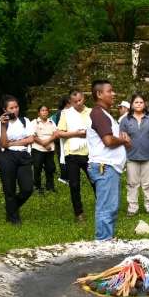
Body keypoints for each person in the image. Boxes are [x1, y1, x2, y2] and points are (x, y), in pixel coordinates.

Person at [86, 80, 131, 241]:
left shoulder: (105, 115)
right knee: (106, 207)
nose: (113, 94)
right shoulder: (98, 114)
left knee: (111, 207)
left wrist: (123, 141)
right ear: (99, 94)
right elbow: (108, 141)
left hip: (109, 167)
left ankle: (107, 238)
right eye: (109, 91)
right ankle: (103, 241)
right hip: (105, 167)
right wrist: (123, 141)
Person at [0, 95, 35, 225]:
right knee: (9, 189)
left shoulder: (25, 121)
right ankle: (14, 218)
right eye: (11, 108)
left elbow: (31, 139)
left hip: (23, 156)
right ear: (5, 110)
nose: (14, 110)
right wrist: (3, 126)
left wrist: (13, 143)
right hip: (6, 157)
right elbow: (3, 144)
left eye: (16, 107)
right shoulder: (0, 125)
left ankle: (11, 208)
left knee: (27, 188)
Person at [119, 94, 149, 216]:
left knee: (148, 183)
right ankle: (132, 208)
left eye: (141, 102)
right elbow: (121, 138)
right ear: (132, 104)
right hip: (131, 157)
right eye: (136, 102)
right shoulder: (125, 120)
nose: (138, 104)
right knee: (132, 184)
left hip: (148, 157)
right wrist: (122, 157)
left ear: (144, 104)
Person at [57, 90, 94, 222]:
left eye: (80, 100)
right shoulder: (66, 114)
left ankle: (103, 208)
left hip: (89, 152)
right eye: (75, 102)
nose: (78, 103)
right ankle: (79, 213)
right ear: (70, 102)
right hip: (71, 153)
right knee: (74, 185)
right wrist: (76, 134)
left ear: (83, 98)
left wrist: (87, 133)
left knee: (95, 181)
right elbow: (59, 133)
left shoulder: (91, 112)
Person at [31, 105, 57, 195]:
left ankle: (50, 186)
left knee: (50, 168)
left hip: (50, 149)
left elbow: (55, 134)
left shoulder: (51, 122)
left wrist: (48, 142)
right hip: (38, 149)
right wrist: (43, 144)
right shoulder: (34, 122)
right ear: (39, 113)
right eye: (42, 110)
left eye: (46, 110)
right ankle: (37, 187)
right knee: (37, 168)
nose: (44, 112)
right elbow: (33, 136)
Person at [51, 96, 70, 185]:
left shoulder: (62, 113)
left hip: (65, 138)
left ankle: (66, 176)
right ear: (67, 103)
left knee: (64, 157)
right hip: (61, 139)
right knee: (63, 157)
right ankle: (64, 177)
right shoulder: (61, 113)